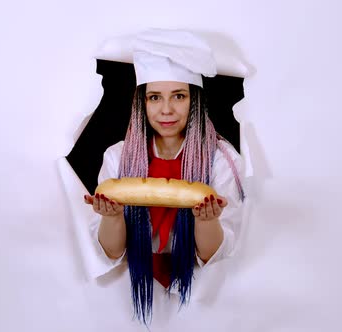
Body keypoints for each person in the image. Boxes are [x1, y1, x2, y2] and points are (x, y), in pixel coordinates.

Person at [83, 29, 245, 324]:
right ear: (141, 104)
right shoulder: (118, 158)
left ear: (193, 100)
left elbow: (214, 255)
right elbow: (112, 251)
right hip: (125, 300)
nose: (166, 110)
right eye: (154, 97)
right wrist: (112, 216)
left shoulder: (221, 160)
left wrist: (207, 221)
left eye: (179, 96)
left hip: (204, 301)